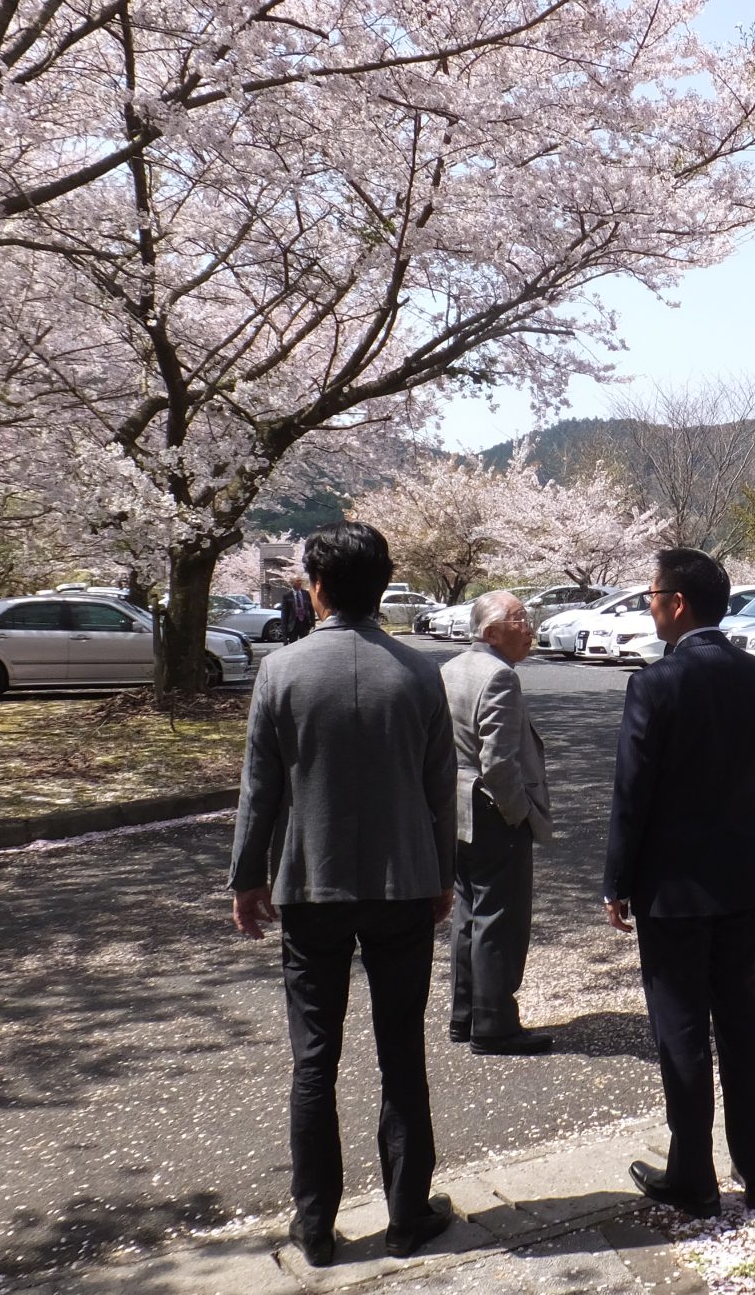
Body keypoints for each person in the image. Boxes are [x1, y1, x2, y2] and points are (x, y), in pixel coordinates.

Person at [229, 522, 457, 1269]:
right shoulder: (421, 672)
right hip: (401, 886)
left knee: (313, 1059)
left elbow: (261, 788)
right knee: (402, 1053)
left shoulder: (281, 671)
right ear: (383, 584)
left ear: (316, 586)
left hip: (310, 885)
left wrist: (247, 876)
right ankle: (405, 1216)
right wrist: (442, 876)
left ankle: (316, 1225)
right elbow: (438, 790)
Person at [603, 548, 755, 1217]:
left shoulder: (657, 684)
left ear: (677, 602)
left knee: (680, 1027)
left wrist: (616, 879)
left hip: (673, 887)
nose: (647, 604)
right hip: (742, 879)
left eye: (652, 594)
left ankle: (695, 1175)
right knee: (742, 1021)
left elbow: (634, 794)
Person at [442, 590, 555, 1056]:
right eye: (518, 619)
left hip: (454, 809)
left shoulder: (448, 670)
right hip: (492, 811)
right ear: (490, 632)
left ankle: (464, 1015)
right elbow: (500, 763)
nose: (529, 627)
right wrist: (519, 814)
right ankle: (495, 1024)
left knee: (469, 912)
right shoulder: (500, 677)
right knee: (499, 919)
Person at [277, 567, 316, 642]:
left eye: (300, 581)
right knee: (293, 644)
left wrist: (312, 622)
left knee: (305, 643)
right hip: (293, 625)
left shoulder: (306, 594)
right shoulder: (287, 596)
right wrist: (284, 634)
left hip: (304, 623)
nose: (300, 583)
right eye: (297, 581)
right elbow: (284, 614)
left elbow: (311, 608)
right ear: (292, 583)